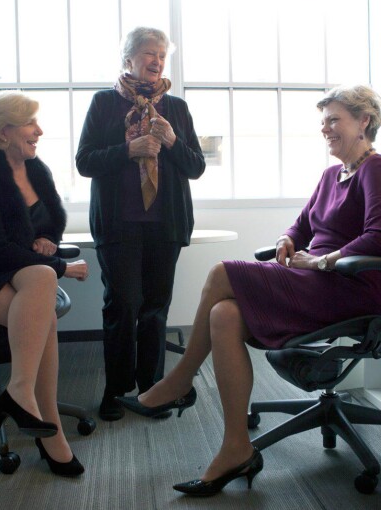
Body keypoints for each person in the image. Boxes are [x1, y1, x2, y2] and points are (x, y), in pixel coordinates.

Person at [118, 84, 381, 496]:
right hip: (316, 280)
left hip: (349, 286)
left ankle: (180, 381)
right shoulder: (333, 174)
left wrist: (322, 260)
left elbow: (378, 236)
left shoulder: (375, 169)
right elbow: (302, 226)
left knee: (223, 271)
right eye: (323, 121)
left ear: (364, 121)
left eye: (335, 120)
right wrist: (286, 240)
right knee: (225, 315)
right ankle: (236, 447)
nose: (326, 128)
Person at [0, 92, 89, 477]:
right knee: (44, 305)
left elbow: (46, 225)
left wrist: (47, 244)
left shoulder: (37, 170)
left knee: (40, 292)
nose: (39, 131)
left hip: (9, 266)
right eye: (30, 124)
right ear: (3, 131)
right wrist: (59, 265)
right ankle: (45, 424)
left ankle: (25, 399)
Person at [75, 27, 205, 421]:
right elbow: (85, 162)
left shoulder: (177, 109)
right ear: (128, 59)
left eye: (162, 55)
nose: (157, 61)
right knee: (123, 305)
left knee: (155, 309)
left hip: (165, 225)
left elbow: (196, 166)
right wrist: (128, 149)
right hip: (119, 226)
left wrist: (170, 142)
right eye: (149, 53)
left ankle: (152, 390)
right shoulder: (103, 103)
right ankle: (116, 390)